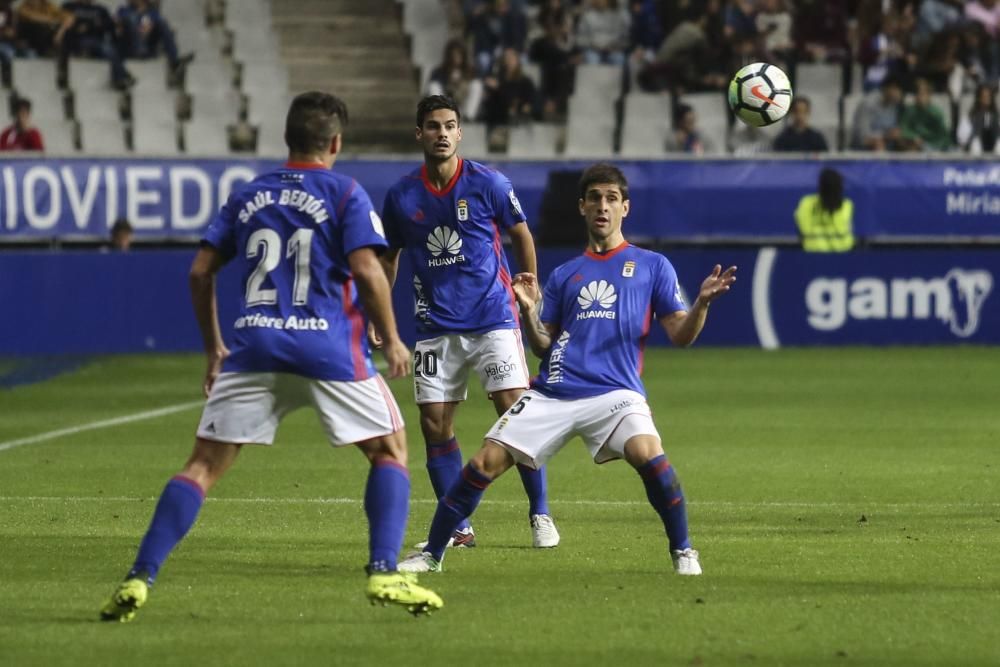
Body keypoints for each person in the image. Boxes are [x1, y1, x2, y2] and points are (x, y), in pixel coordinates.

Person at [98, 91, 443, 623]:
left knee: (202, 466)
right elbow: (370, 271)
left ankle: (139, 578)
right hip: (328, 349)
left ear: (288, 138)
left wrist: (214, 347)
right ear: (335, 142)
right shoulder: (345, 193)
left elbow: (198, 272)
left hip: (253, 347)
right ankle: (382, 571)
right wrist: (393, 337)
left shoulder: (248, 195)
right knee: (389, 450)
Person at [397, 162, 737, 576]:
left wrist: (700, 304)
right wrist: (527, 312)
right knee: (483, 463)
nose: (603, 206)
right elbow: (543, 346)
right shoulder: (564, 275)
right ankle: (433, 553)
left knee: (651, 457)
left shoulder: (652, 266)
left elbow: (681, 335)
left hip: (616, 393)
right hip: (554, 391)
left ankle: (683, 551)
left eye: (612, 199)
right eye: (594, 198)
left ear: (625, 208)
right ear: (581, 206)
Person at [377, 95, 560, 550]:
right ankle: (458, 527)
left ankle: (540, 513)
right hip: (434, 325)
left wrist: (529, 283)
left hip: (492, 318)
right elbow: (390, 256)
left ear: (460, 133)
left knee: (517, 415)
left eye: (450, 125)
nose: (442, 133)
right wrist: (376, 311)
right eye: (433, 126)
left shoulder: (488, 183)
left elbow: (521, 232)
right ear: (419, 133)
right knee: (435, 424)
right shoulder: (401, 196)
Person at [63, 0, 134, 89]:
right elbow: (68, 25)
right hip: (77, 40)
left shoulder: (100, 9)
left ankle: (118, 79)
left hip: (97, 41)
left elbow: (108, 25)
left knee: (111, 49)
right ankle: (124, 75)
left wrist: (89, 26)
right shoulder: (70, 7)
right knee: (106, 48)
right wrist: (93, 24)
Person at [794, 167, 855, 252]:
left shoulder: (806, 203)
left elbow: (803, 227)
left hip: (814, 252)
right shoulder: (847, 205)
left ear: (820, 185)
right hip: (842, 251)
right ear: (840, 186)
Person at [426, 38, 484, 122]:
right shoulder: (439, 71)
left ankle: (469, 117)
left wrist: (461, 82)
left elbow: (475, 88)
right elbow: (434, 89)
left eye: (459, 55)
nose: (456, 58)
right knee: (433, 86)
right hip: (447, 107)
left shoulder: (471, 71)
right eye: (454, 55)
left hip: (463, 107)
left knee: (477, 85)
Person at [898, 77, 952, 151]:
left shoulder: (936, 112)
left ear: (929, 96)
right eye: (918, 94)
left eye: (923, 94)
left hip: (934, 144)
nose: (920, 97)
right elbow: (904, 128)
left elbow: (942, 134)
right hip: (915, 142)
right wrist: (914, 137)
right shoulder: (910, 110)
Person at [957, 82, 1000, 154]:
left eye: (988, 97)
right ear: (979, 98)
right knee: (975, 142)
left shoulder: (996, 116)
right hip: (975, 149)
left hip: (995, 150)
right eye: (984, 97)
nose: (986, 99)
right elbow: (962, 139)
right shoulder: (970, 117)